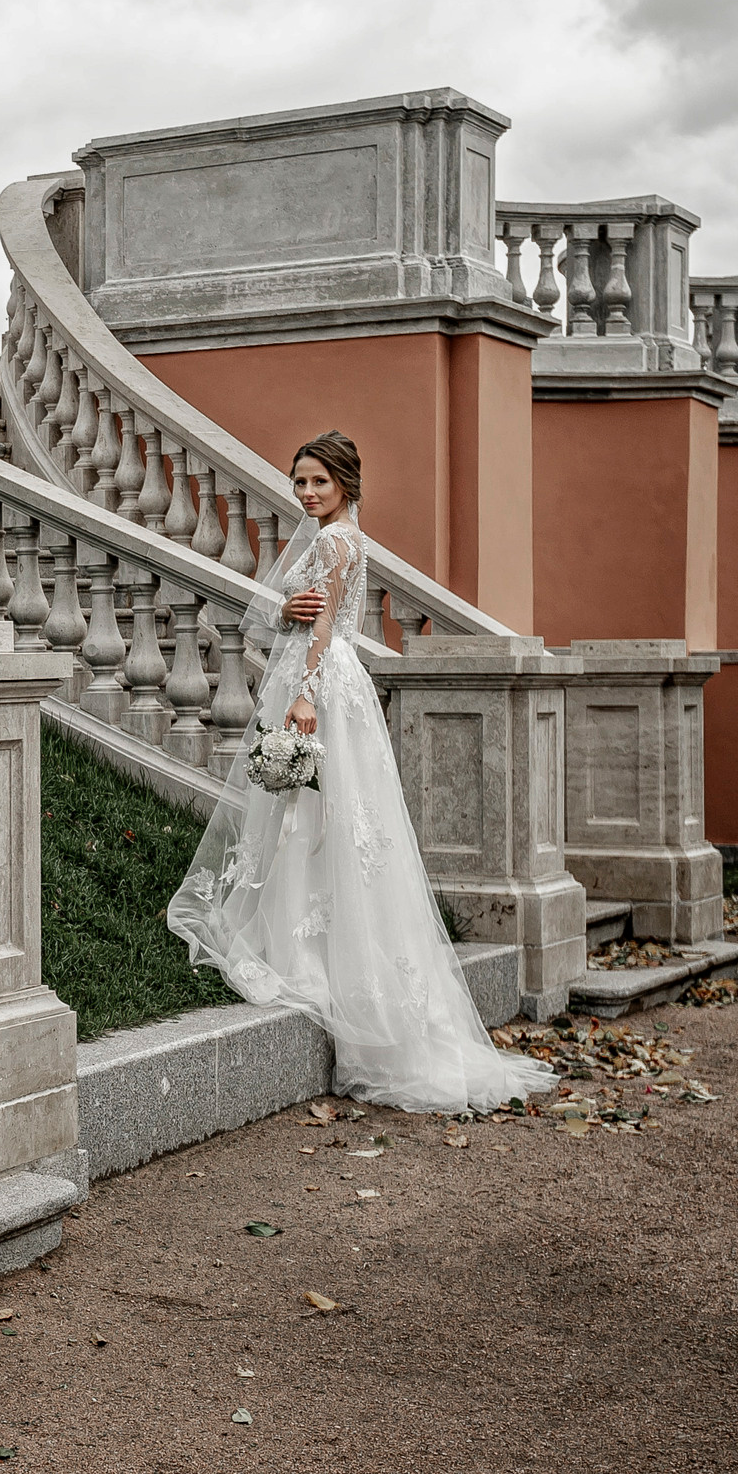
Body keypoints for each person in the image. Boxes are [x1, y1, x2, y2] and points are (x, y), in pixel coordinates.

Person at [165, 431, 556, 1113]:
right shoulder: (345, 535)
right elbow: (306, 615)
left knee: (315, 811)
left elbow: (320, 631)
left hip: (321, 682)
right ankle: (324, 947)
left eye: (319, 481)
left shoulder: (332, 541)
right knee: (324, 815)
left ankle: (306, 954)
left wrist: (306, 693)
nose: (308, 492)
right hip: (335, 677)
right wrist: (289, 613)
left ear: (345, 481)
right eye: (300, 482)